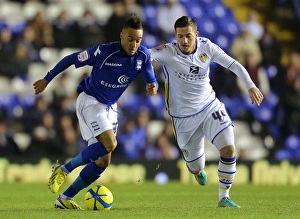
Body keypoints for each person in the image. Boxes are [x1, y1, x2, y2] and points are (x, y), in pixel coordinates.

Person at [33, 15, 158, 210]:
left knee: (103, 160)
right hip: (90, 101)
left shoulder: (143, 54)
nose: (134, 44)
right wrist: (47, 79)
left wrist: (153, 83)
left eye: (138, 40)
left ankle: (65, 198)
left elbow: (148, 70)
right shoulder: (104, 52)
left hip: (110, 106)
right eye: (131, 39)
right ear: (122, 35)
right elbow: (71, 58)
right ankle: (64, 169)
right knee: (110, 144)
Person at [149, 16, 263, 208]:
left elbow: (233, 64)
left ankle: (223, 197)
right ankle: (196, 170)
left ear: (197, 34)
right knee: (196, 167)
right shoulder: (168, 51)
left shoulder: (207, 47)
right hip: (182, 118)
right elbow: (143, 56)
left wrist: (250, 85)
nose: (184, 41)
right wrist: (150, 78)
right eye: (180, 36)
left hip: (209, 106)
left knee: (229, 148)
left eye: (188, 36)